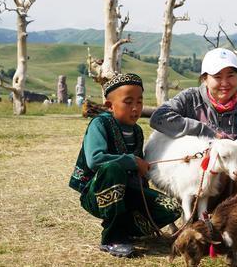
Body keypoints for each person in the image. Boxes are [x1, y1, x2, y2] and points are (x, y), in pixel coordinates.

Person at [69, 73, 181, 258]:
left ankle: (127, 230)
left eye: (139, 101)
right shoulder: (100, 123)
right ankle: (112, 238)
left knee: (171, 207)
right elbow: (95, 160)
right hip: (97, 192)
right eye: (128, 102)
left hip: (127, 192)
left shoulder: (136, 131)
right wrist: (132, 161)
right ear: (110, 105)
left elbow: (137, 171)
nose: (136, 108)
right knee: (113, 169)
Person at [150, 48, 237, 185]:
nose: (225, 83)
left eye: (230, 75)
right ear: (205, 79)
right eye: (217, 77)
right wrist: (202, 130)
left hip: (231, 172)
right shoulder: (191, 99)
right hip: (191, 174)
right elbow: (159, 117)